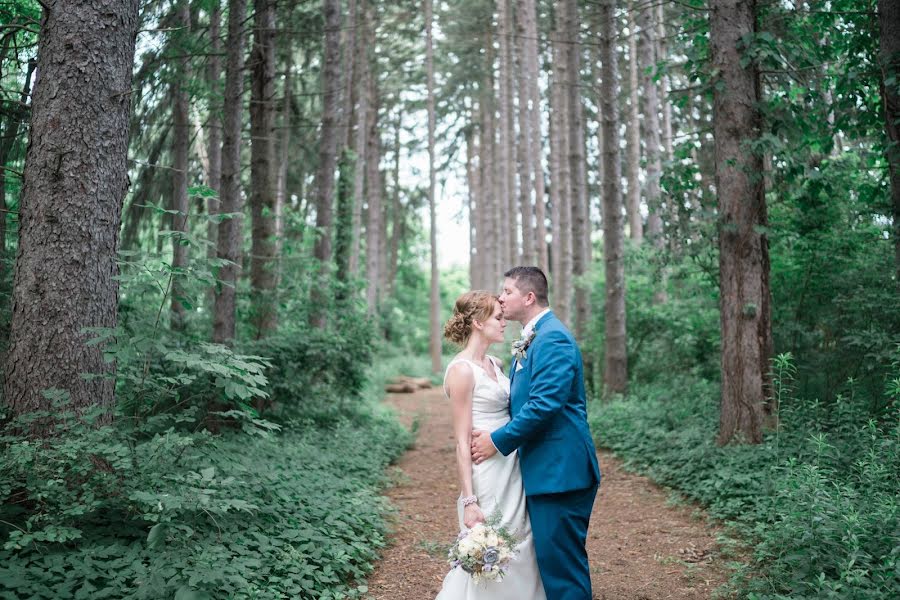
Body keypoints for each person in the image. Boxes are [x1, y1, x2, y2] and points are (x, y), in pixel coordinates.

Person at [471, 266, 601, 600]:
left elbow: (544, 405)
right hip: (545, 469)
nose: (501, 297)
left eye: (507, 291)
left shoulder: (552, 337)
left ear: (529, 297)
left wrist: (496, 442)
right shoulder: (534, 336)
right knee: (550, 562)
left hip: (561, 471)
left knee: (562, 567)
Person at [435, 291, 546, 600]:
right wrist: (469, 501)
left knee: (520, 542)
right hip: (486, 472)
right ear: (477, 323)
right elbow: (460, 441)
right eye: (497, 317)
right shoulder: (461, 371)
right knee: (492, 548)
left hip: (511, 465)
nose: (503, 322)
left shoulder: (495, 363)